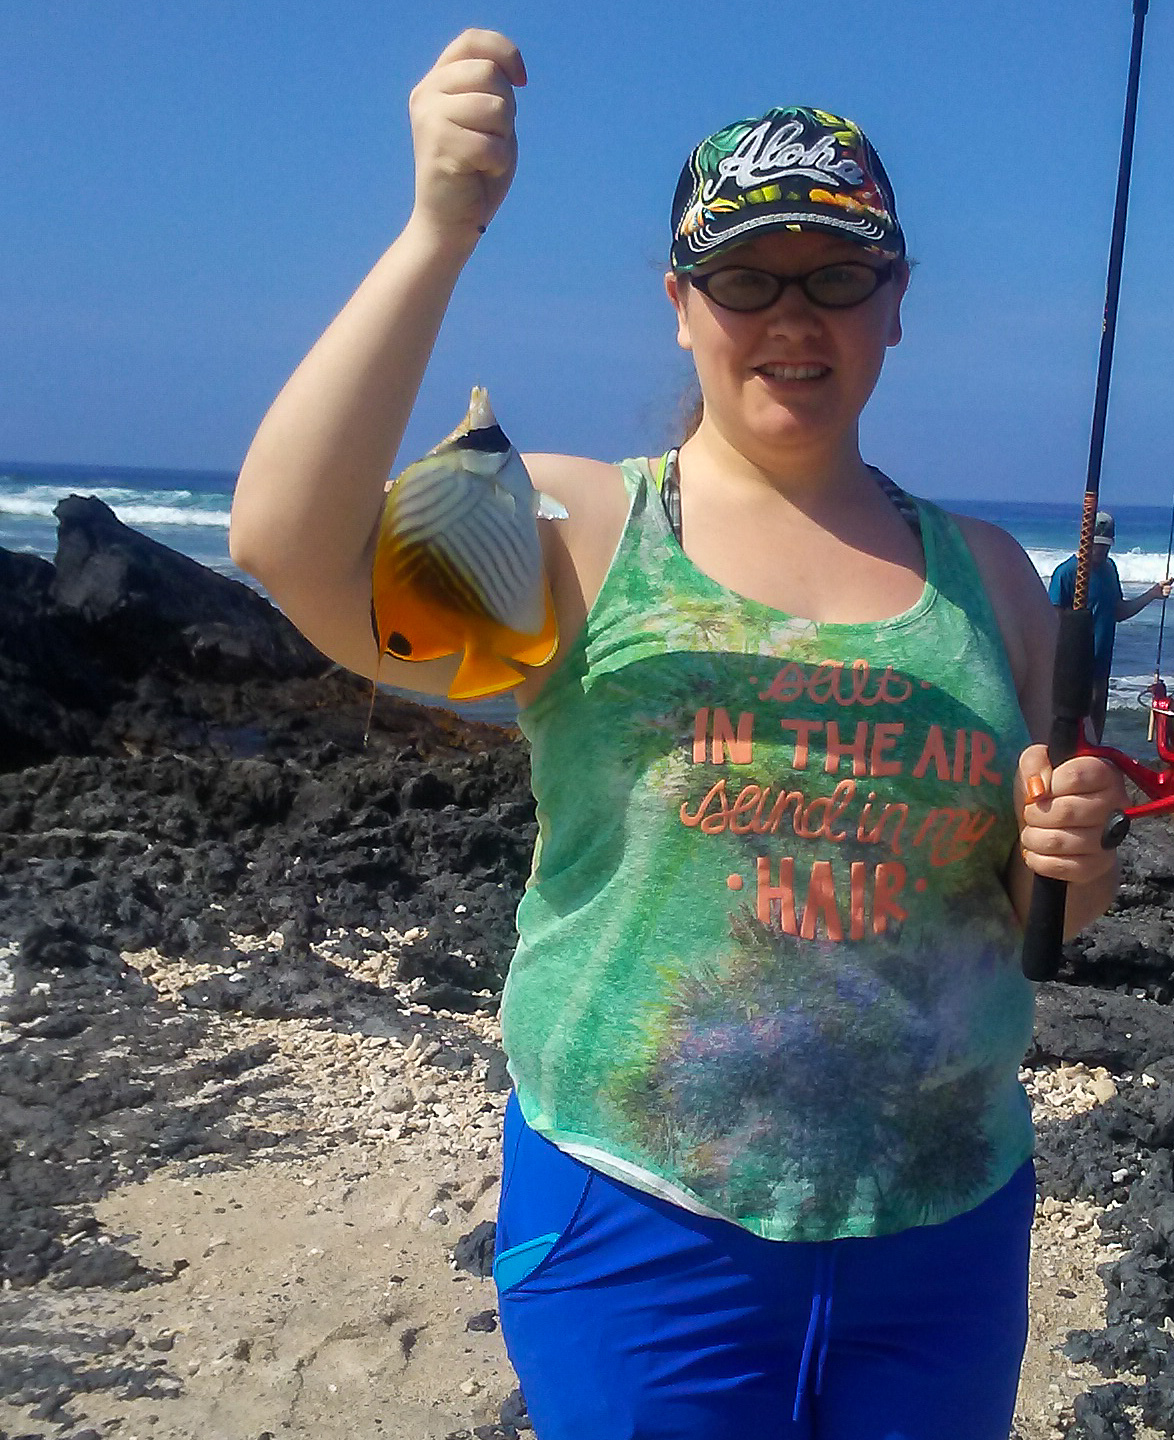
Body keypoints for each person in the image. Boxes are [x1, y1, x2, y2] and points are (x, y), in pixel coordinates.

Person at [229, 29, 1127, 1440]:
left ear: (896, 304)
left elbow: (1030, 912)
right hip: (640, 1219)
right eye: (743, 278)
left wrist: (1073, 854)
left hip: (943, 1230)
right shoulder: (586, 530)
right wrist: (436, 231)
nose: (792, 316)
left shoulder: (995, 583)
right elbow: (291, 546)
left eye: (838, 277)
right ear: (678, 302)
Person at [1048, 512, 1172, 740]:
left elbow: (1118, 612)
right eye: (1096, 545)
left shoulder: (1110, 569)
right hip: (1073, 664)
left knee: (1097, 715)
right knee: (1071, 722)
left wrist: (1152, 594)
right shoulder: (1065, 573)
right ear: (1085, 539)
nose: (1101, 551)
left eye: (1106, 546)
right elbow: (1051, 621)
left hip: (1102, 660)